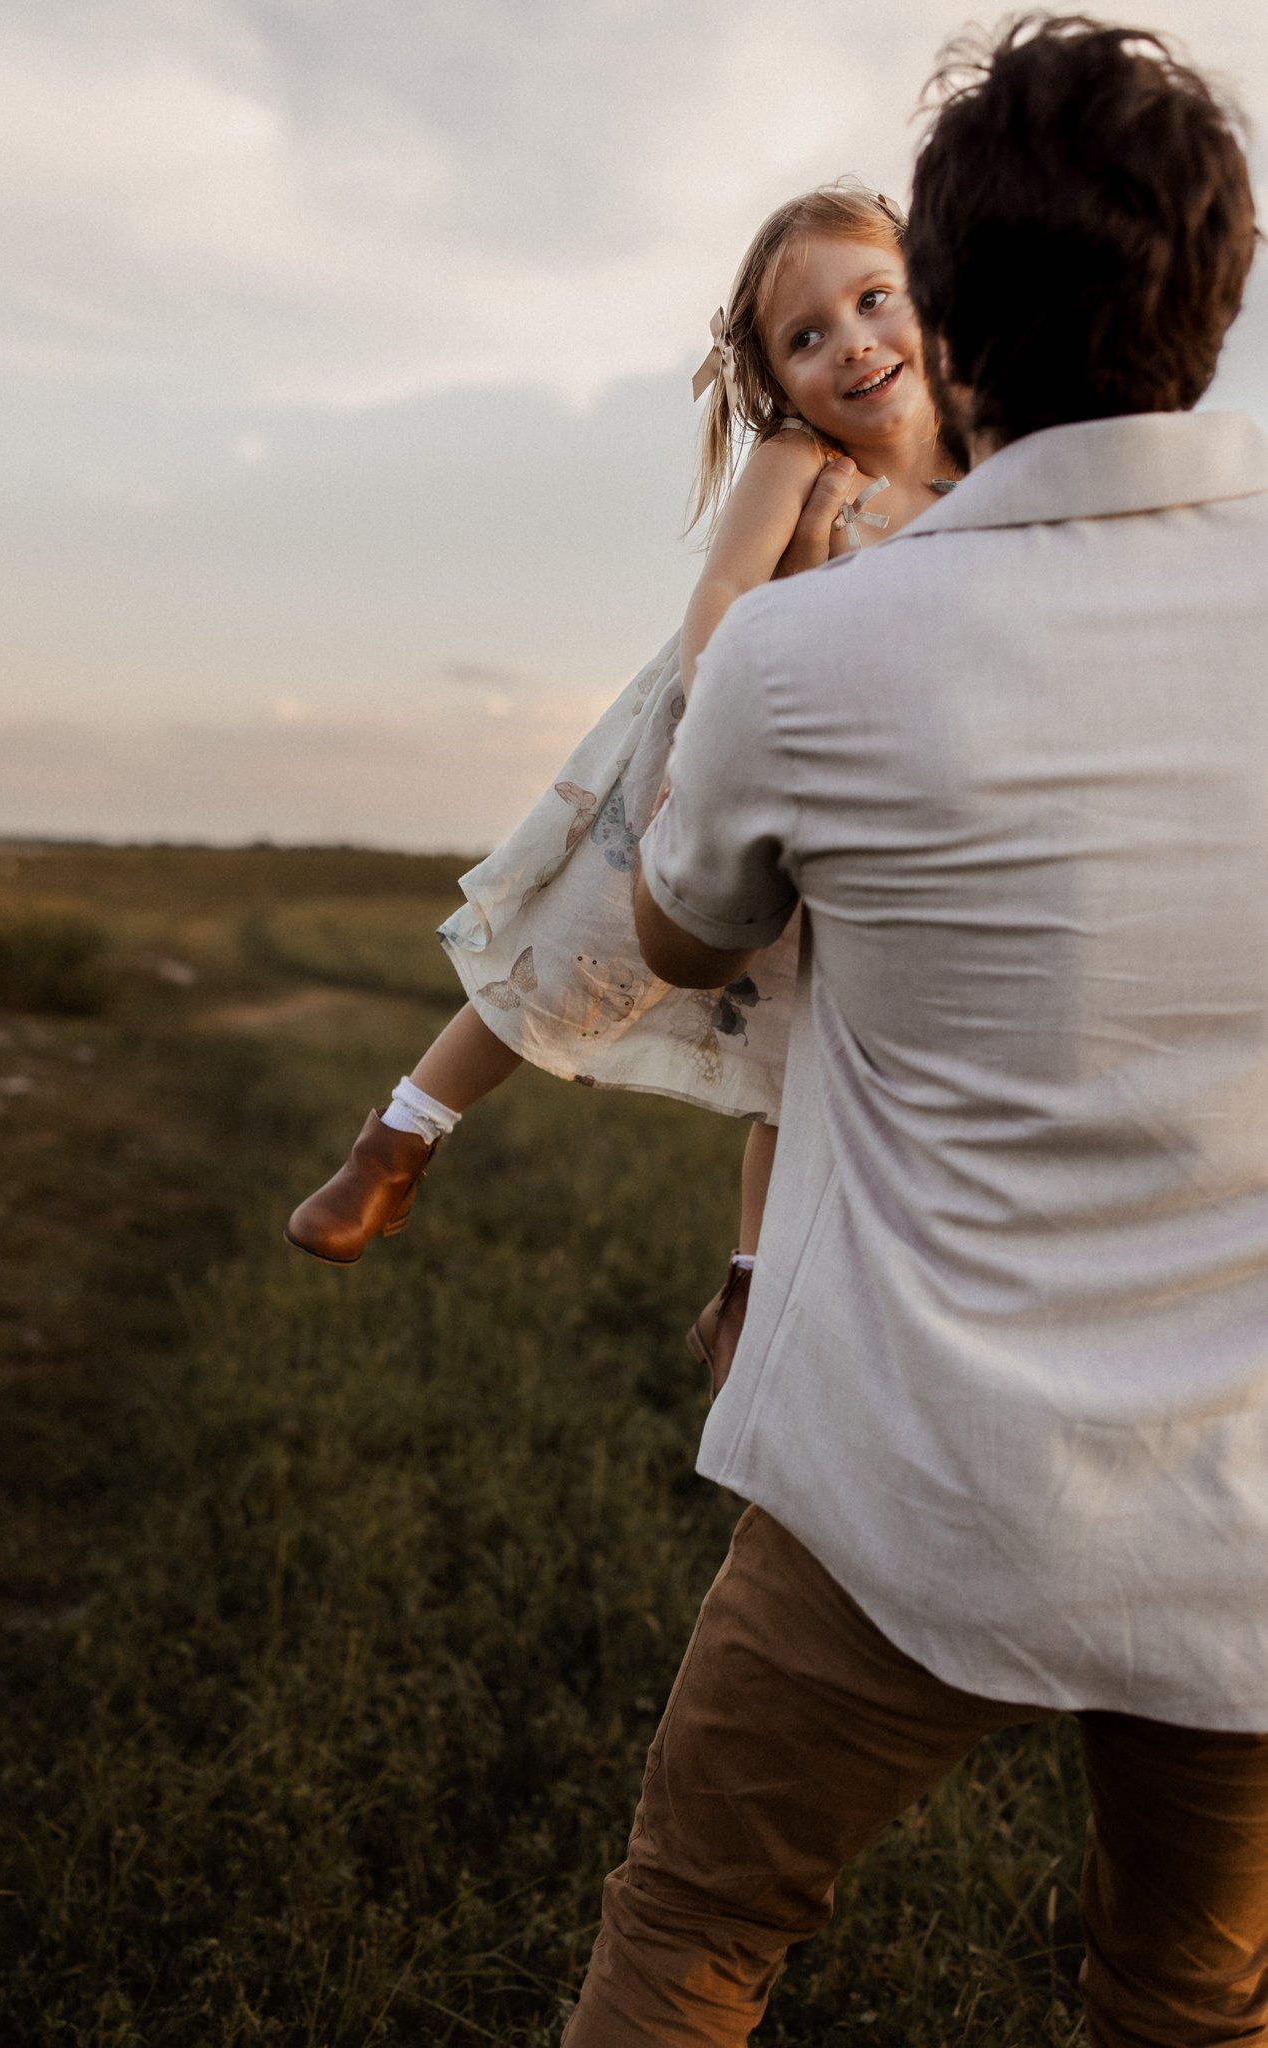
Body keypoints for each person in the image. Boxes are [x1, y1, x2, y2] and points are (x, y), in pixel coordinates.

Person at [564, 15, 1268, 2046]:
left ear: (942, 321)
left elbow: (678, 939)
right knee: (1192, 1998)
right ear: (1218, 283)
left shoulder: (804, 652)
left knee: (691, 1934)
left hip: (901, 1488)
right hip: (1244, 1516)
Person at [284, 183, 960, 1388]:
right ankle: (397, 1140)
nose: (850, 341)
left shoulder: (980, 477)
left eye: (872, 300)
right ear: (776, 381)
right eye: (805, 336)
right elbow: (719, 597)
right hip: (706, 751)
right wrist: (719, 727)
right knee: (581, 945)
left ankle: (749, 1289)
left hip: (847, 801)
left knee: (808, 1048)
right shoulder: (806, 461)